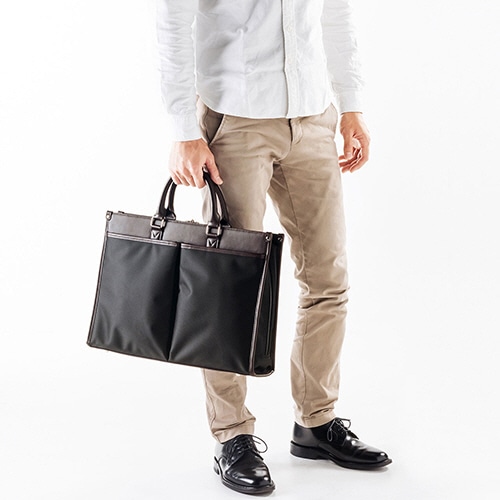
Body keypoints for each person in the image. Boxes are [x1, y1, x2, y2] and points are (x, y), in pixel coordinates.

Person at [156, 0, 392, 494]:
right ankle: (232, 435)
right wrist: (183, 131)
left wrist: (351, 105)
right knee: (229, 285)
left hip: (313, 117)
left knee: (328, 281)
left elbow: (336, 13)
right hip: (235, 116)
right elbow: (172, 22)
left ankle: (316, 422)